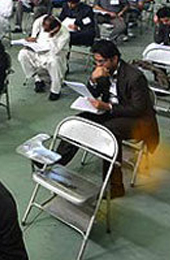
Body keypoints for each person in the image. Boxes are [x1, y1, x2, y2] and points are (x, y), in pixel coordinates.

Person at [54, 40, 159, 198]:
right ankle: (56, 161)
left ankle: (115, 187)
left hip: (138, 120)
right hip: (111, 111)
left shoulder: (135, 77)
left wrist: (108, 107)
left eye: (102, 61)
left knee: (110, 132)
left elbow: (138, 109)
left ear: (114, 59)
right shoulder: (102, 69)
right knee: (78, 122)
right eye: (96, 61)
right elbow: (92, 93)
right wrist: (92, 79)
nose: (98, 65)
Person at [17, 14, 70, 101]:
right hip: (39, 50)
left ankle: (55, 90)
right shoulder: (45, 19)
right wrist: (33, 37)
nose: (44, 31)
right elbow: (37, 23)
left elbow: (55, 51)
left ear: (55, 29)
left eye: (47, 30)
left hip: (54, 55)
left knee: (54, 62)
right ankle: (38, 79)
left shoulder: (65, 34)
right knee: (23, 54)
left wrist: (51, 37)